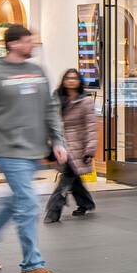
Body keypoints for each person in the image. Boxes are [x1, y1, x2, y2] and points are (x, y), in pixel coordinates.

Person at [0, 23, 68, 273]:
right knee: (29, 202)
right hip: (8, 149)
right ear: (12, 44)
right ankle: (31, 264)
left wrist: (57, 141)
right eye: (26, 41)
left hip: (33, 151)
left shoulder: (37, 71)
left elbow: (49, 109)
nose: (32, 44)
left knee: (16, 202)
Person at [44, 68, 96, 222]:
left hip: (78, 145)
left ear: (79, 81)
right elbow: (50, 119)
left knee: (67, 176)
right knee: (73, 176)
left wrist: (90, 149)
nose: (71, 81)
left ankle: (53, 210)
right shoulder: (58, 97)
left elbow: (91, 127)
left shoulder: (85, 100)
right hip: (61, 143)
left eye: (74, 78)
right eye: (68, 78)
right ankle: (86, 202)